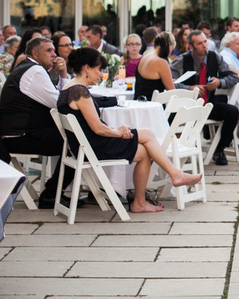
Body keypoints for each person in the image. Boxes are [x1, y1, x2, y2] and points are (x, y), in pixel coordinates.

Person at [59, 47, 201, 212]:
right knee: (147, 136)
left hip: (84, 146)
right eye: (99, 70)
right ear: (87, 68)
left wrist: (116, 131)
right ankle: (171, 178)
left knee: (145, 148)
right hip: (93, 146)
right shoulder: (79, 92)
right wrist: (118, 132)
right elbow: (97, 128)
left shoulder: (69, 88)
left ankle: (144, 199)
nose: (100, 75)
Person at [0, 37, 78, 208]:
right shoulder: (34, 71)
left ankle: (55, 193)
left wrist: (63, 74)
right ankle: (51, 195)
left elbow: (59, 98)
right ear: (35, 53)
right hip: (18, 137)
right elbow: (60, 103)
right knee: (78, 143)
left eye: (53, 50)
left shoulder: (31, 68)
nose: (54, 54)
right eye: (49, 51)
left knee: (73, 140)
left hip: (20, 133)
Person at [171, 30, 239, 166]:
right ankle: (178, 150)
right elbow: (170, 82)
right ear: (191, 47)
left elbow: (234, 77)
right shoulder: (181, 60)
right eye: (199, 43)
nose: (204, 45)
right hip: (188, 106)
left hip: (208, 103)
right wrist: (189, 88)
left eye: (205, 42)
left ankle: (219, 150)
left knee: (233, 112)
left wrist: (219, 82)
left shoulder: (215, 57)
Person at [134, 32, 175, 101]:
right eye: (172, 49)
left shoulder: (144, 58)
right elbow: (172, 91)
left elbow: (146, 83)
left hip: (137, 104)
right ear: (169, 45)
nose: (170, 53)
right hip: (153, 107)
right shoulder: (161, 62)